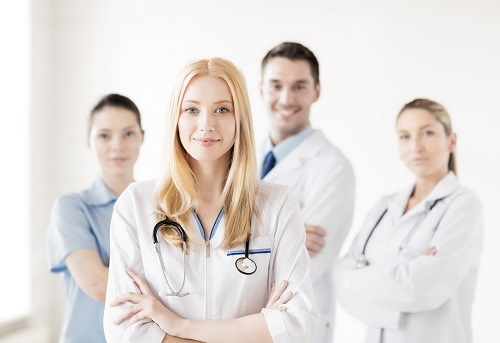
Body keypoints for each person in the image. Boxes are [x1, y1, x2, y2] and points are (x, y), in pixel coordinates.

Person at [103, 57, 318, 342]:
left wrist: (177, 325)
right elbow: (126, 331)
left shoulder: (277, 205)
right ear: (176, 119)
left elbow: (298, 325)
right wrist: (261, 328)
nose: (206, 124)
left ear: (239, 118)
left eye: (222, 109)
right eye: (191, 109)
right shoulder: (135, 205)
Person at [334, 98, 484, 343]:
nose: (415, 146)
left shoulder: (463, 205)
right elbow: (339, 278)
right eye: (405, 136)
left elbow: (419, 288)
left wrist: (364, 276)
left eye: (427, 133)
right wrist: (403, 274)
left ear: (451, 140)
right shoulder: (384, 205)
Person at [258, 41, 355, 342]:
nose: (286, 98)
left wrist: (239, 237)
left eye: (299, 86)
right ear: (261, 88)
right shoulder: (238, 158)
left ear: (316, 91)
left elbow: (300, 269)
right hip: (240, 323)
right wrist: (282, 234)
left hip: (294, 326)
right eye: (276, 85)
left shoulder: (332, 167)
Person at [46, 93, 145, 342]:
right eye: (104, 135)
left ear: (142, 137)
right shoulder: (71, 208)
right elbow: (97, 285)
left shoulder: (160, 208)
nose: (117, 145)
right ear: (88, 142)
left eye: (128, 133)